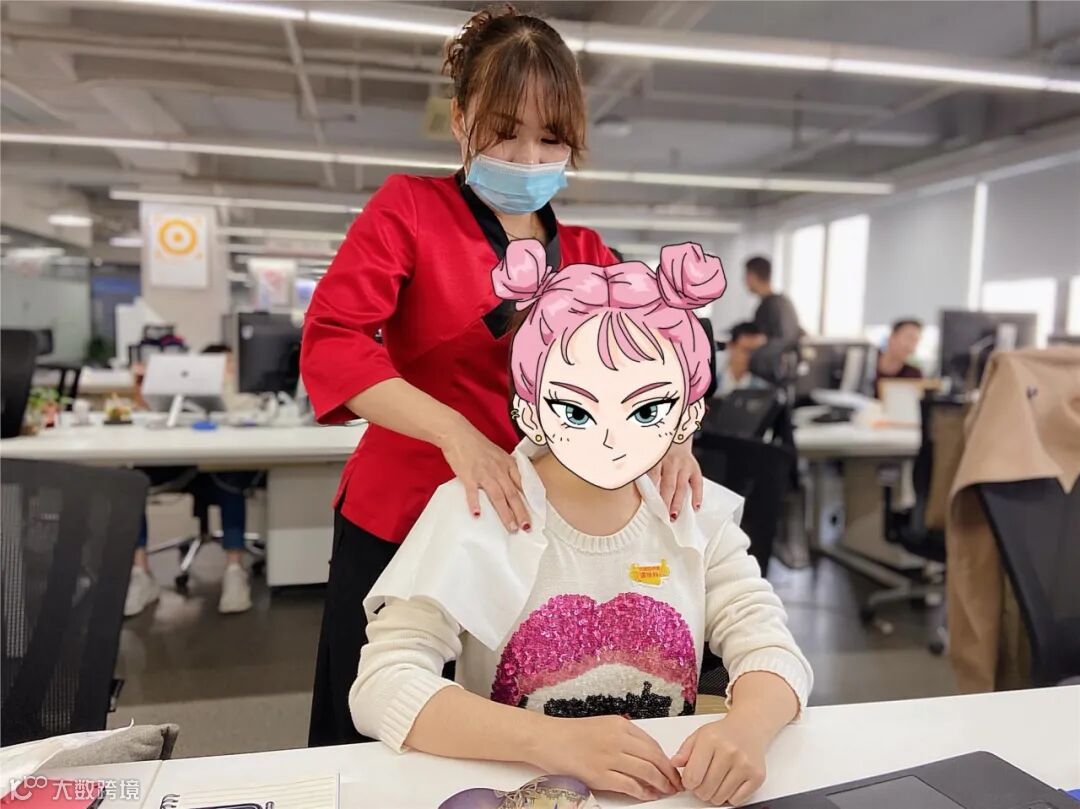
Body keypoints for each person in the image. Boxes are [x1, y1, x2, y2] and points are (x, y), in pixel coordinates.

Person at [300, 5, 704, 747]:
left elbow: (655, 359)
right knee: (382, 719)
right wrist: (454, 432)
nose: (526, 156)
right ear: (459, 120)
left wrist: (675, 434)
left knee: (504, 720)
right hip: (403, 508)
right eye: (504, 131)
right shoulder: (409, 211)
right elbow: (334, 341)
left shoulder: (586, 251)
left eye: (550, 137)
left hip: (527, 524)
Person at [350, 241, 812, 807]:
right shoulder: (479, 508)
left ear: (687, 413)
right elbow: (384, 682)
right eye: (579, 407)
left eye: (644, 408)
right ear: (531, 405)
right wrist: (547, 741)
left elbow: (770, 644)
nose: (612, 438)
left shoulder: (692, 509)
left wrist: (747, 728)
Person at [123, 344, 263, 617]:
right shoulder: (181, 392)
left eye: (229, 363)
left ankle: (234, 571)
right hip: (182, 465)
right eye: (220, 364)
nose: (226, 369)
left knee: (231, 477)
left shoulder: (246, 393)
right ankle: (140, 574)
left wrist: (227, 388)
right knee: (133, 480)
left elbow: (248, 414)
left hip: (222, 468)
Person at [744, 256, 802, 346]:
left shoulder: (769, 306)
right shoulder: (782, 302)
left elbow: (773, 342)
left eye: (746, 276)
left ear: (752, 276)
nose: (745, 281)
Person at [874, 318, 924, 397]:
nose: (910, 346)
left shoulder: (914, 375)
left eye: (915, 341)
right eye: (909, 338)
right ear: (892, 337)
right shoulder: (867, 363)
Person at [718, 322, 769, 396]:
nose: (752, 357)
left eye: (757, 353)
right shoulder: (708, 383)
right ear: (731, 346)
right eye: (746, 350)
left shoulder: (765, 390)